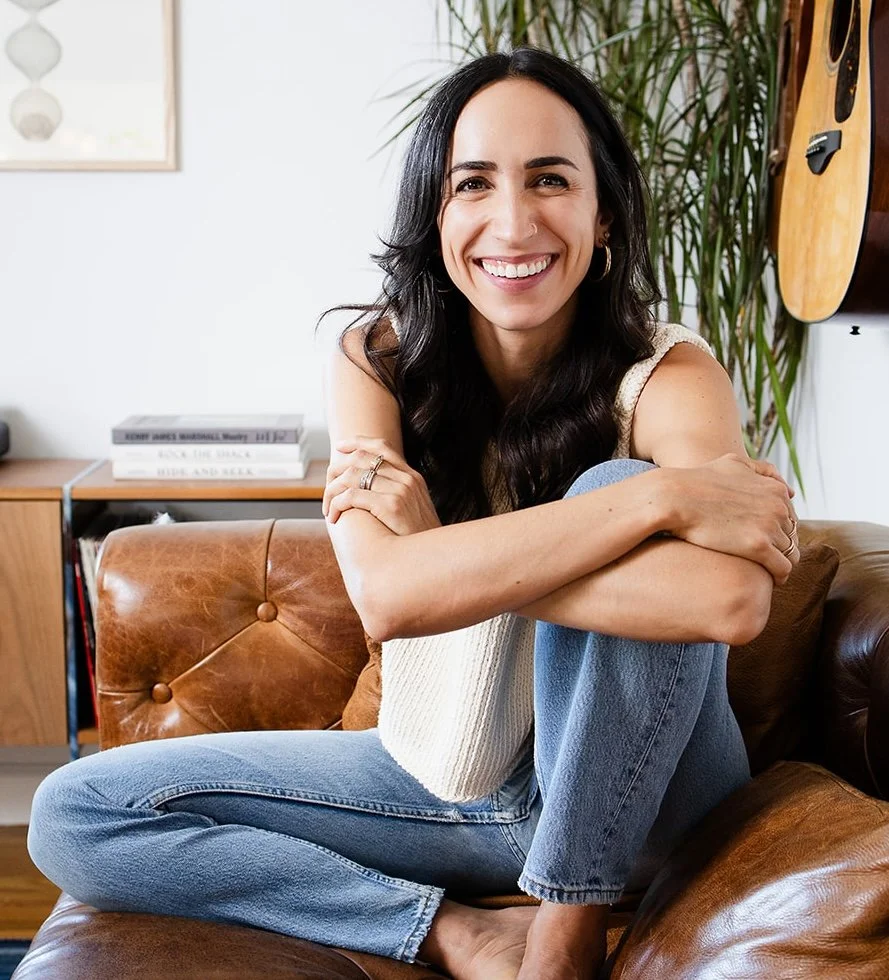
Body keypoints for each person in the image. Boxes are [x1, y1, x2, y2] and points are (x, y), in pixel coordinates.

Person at [26, 48, 799, 980]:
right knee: (76, 812)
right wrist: (659, 498)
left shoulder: (668, 375)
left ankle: (565, 931)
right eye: (472, 183)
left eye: (550, 179)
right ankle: (455, 932)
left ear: (603, 216)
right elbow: (389, 596)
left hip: (650, 800)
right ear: (434, 216)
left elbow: (726, 603)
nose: (512, 220)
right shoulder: (376, 360)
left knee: (604, 485)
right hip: (444, 786)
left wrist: (447, 556)